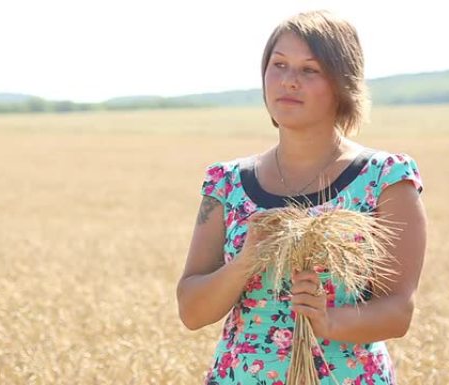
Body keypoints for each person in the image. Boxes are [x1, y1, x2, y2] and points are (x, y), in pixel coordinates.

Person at [176, 9, 427, 385]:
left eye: (310, 70)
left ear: (343, 84)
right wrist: (244, 263)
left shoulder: (385, 179)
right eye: (278, 65)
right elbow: (192, 312)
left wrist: (330, 321)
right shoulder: (226, 183)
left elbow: (398, 311)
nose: (289, 81)